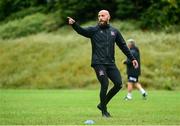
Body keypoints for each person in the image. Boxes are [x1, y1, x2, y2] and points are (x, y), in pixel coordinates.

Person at [67, 10, 138, 117]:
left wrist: (132, 58)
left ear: (108, 17)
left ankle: (102, 104)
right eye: (99, 16)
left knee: (118, 84)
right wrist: (74, 24)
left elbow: (123, 45)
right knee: (104, 83)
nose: (100, 17)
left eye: (103, 15)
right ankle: (104, 112)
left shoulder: (115, 31)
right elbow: (81, 31)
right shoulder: (93, 30)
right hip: (98, 63)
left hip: (110, 63)